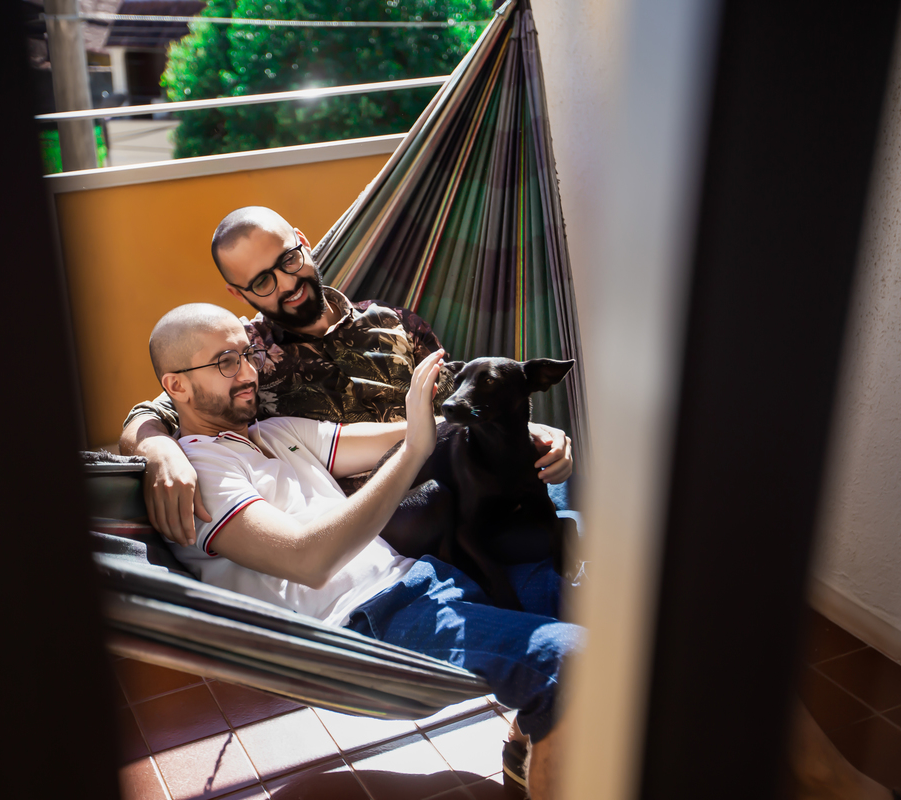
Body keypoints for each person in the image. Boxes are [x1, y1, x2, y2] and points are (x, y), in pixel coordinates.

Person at [148, 302, 583, 796]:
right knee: (573, 663)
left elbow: (404, 433)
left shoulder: (275, 433)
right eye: (226, 361)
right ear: (176, 386)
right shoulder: (198, 471)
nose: (247, 372)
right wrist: (416, 451)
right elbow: (304, 560)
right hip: (373, 618)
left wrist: (529, 433)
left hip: (436, 574)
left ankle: (529, 745)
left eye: (246, 355)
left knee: (610, 608)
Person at [120, 206, 574, 549]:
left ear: (303, 241)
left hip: (474, 490)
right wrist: (157, 448)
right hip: (384, 532)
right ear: (238, 292)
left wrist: (529, 433)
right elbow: (156, 408)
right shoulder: (243, 359)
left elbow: (463, 403)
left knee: (564, 493)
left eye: (288, 260)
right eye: (262, 282)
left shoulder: (396, 322)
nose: (286, 284)